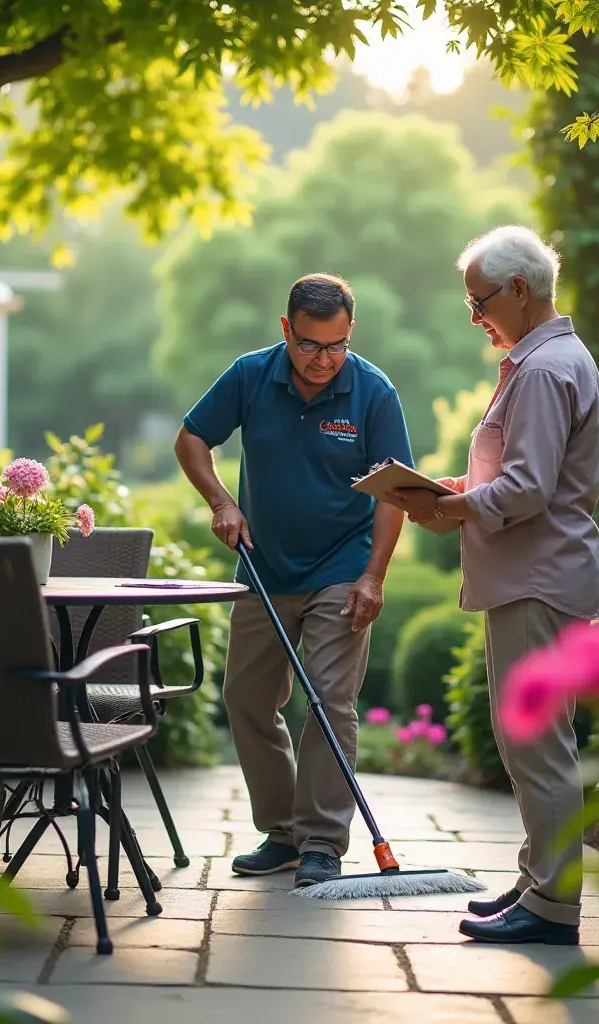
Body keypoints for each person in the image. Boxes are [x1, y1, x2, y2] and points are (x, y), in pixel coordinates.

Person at [392, 226, 599, 945]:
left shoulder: (544, 370)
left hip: (537, 579)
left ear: (519, 290)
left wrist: (449, 510)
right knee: (535, 743)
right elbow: (523, 475)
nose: (476, 315)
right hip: (538, 576)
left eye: (478, 301)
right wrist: (455, 488)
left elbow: (531, 489)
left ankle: (551, 906)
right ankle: (539, 879)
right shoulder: (545, 361)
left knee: (539, 745)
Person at [174, 273, 413, 888]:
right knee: (247, 701)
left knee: (331, 702)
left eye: (336, 347)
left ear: (349, 334)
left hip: (340, 566)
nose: (323, 361)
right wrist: (221, 501)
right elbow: (192, 437)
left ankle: (322, 844)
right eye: (309, 346)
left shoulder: (374, 392)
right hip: (264, 566)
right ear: (287, 330)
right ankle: (281, 833)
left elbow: (396, 495)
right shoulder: (252, 374)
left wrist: (373, 578)